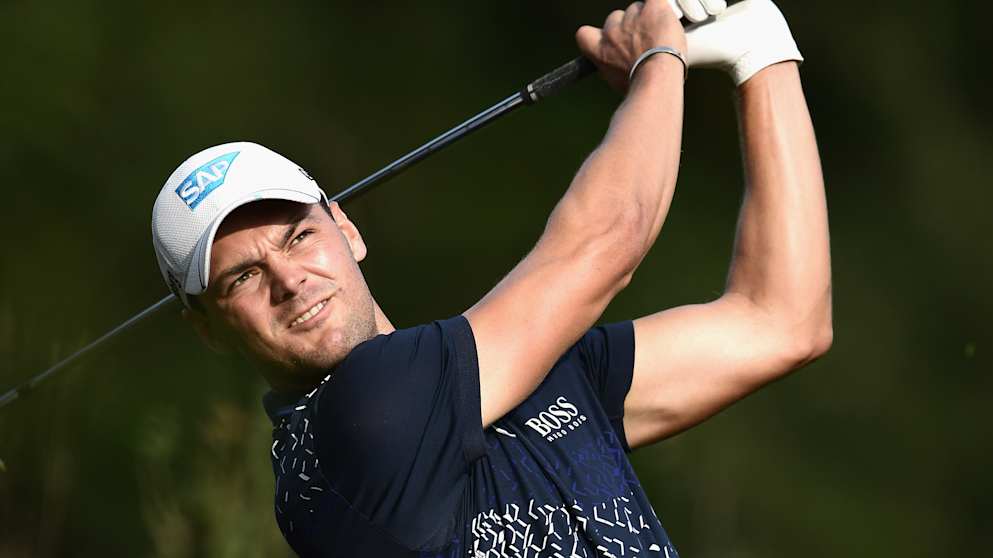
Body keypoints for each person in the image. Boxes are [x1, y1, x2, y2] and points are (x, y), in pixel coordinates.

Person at [149, 0, 831, 555]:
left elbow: (782, 322)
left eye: (299, 237)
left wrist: (760, 56)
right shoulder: (352, 422)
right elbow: (607, 241)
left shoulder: (507, 377)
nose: (289, 279)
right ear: (206, 329)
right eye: (242, 277)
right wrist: (656, 61)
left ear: (346, 229)